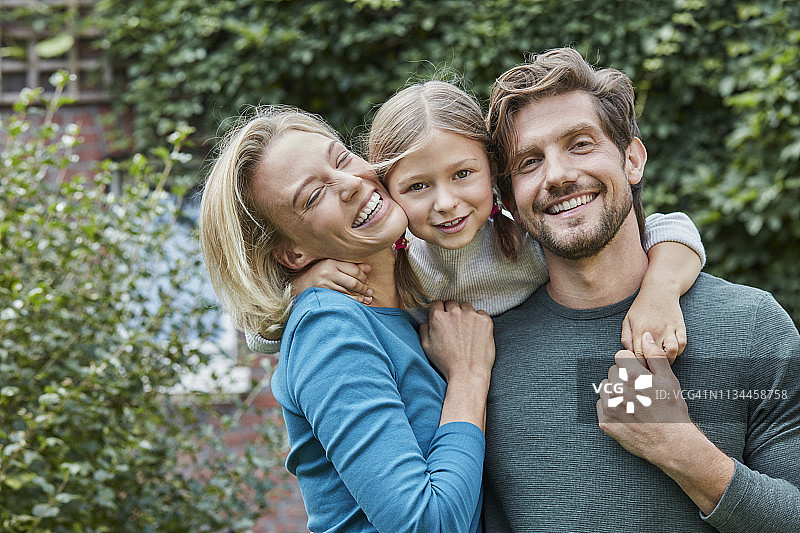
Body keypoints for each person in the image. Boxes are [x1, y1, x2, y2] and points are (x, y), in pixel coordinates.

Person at [483, 47, 800, 532]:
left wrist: (680, 450)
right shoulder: (483, 355)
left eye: (581, 144)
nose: (559, 175)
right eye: (529, 162)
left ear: (632, 160)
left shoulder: (751, 327)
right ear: (509, 201)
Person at [249, 80, 708, 362]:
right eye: (417, 187)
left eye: (463, 175)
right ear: (388, 189)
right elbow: (260, 337)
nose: (446, 203)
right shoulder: (397, 266)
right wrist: (301, 288)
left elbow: (674, 230)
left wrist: (659, 294)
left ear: (494, 174)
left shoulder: (527, 243)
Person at [198, 108, 495, 532]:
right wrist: (468, 377)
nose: (353, 183)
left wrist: (631, 305)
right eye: (312, 196)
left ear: (629, 160)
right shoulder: (331, 328)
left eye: (341, 160)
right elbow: (426, 525)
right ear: (293, 254)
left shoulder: (440, 282)